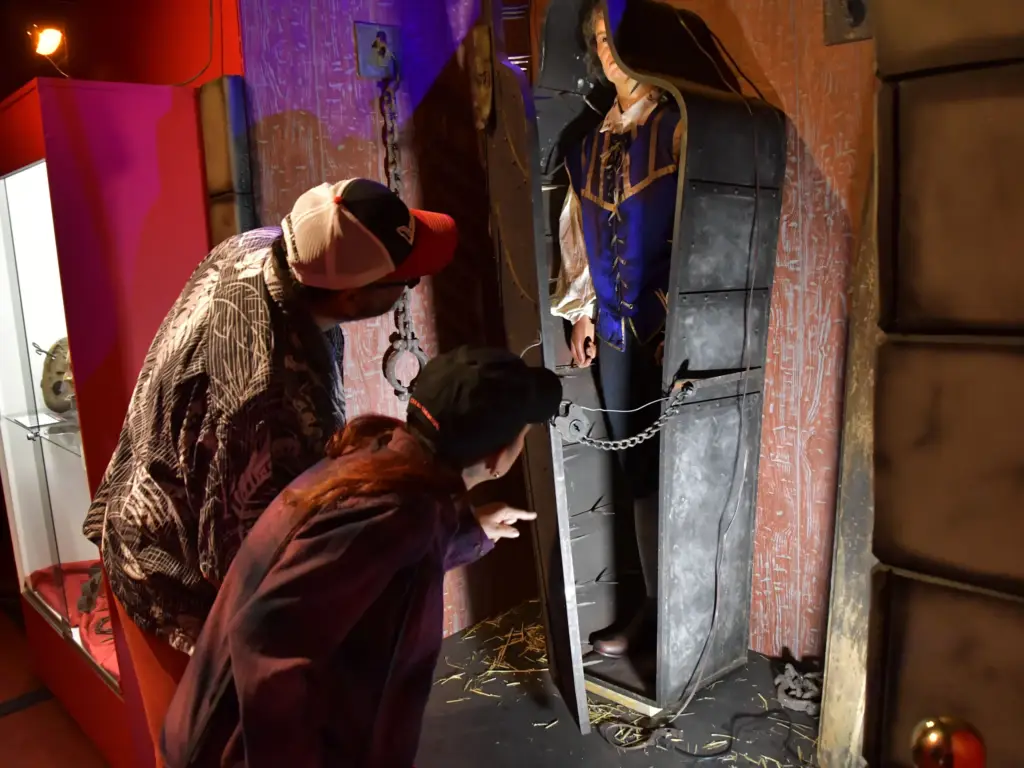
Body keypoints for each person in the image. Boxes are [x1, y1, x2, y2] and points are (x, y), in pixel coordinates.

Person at [81, 178, 458, 755]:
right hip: (168, 570)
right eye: (404, 281)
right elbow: (249, 563)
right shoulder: (269, 398)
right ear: (352, 298)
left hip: (154, 503)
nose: (410, 286)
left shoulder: (260, 246)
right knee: (199, 746)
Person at [159, 346, 562, 768]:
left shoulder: (384, 463)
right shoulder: (400, 511)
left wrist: (471, 533)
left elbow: (373, 575)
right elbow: (265, 642)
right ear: (498, 459)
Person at [550, 0, 684, 658]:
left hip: (678, 326)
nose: (608, 50)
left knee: (681, 467)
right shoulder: (585, 143)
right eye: (598, 40)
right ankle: (651, 612)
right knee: (635, 469)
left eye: (615, 36)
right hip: (616, 335)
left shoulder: (681, 125)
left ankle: (683, 612)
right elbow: (577, 234)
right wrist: (581, 309)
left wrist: (687, 313)